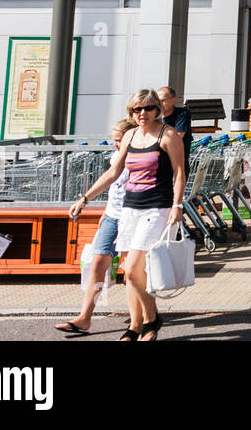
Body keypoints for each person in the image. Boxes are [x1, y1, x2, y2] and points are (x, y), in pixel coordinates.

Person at [71, 88, 186, 341]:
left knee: (133, 267)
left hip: (157, 208)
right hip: (130, 209)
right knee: (130, 272)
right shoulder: (130, 136)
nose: (142, 113)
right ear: (131, 112)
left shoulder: (168, 136)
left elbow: (179, 174)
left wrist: (177, 206)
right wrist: (85, 198)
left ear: (157, 110)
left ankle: (152, 319)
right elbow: (113, 173)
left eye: (147, 108)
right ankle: (136, 327)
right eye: (137, 109)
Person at [56, 117, 137, 335]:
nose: (115, 144)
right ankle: (85, 317)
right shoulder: (115, 157)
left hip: (132, 218)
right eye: (114, 140)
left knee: (131, 270)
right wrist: (102, 209)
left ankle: (140, 318)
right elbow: (114, 185)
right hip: (112, 216)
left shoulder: (140, 158)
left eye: (119, 140)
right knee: (97, 263)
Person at [157, 85, 192, 179]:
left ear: (173, 100)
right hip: (159, 162)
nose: (159, 104)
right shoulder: (154, 116)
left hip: (177, 161)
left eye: (163, 100)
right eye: (157, 101)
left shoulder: (182, 114)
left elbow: (177, 136)